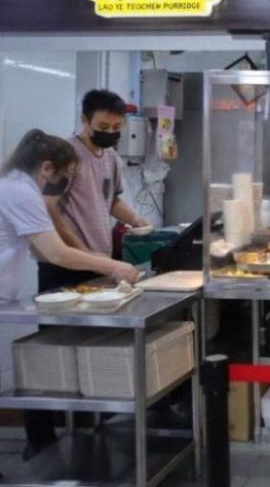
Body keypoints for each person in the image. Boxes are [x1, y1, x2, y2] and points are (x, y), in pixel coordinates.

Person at [0, 130, 138, 460]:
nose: (64, 184)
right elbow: (56, 253)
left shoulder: (13, 184)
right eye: (65, 176)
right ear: (46, 168)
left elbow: (43, 252)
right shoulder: (21, 192)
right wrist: (113, 266)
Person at [42, 90, 149, 290]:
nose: (110, 132)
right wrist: (83, 252)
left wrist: (135, 219)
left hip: (98, 263)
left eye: (116, 127)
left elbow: (111, 201)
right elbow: (48, 207)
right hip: (66, 265)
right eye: (103, 126)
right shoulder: (66, 154)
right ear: (85, 120)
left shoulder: (110, 157)